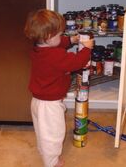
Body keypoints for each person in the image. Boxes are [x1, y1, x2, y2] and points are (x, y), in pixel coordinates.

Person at [24, 9, 94, 167]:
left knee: (44, 132)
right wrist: (87, 49)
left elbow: (58, 43)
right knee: (53, 135)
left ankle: (46, 154)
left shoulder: (39, 47)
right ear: (48, 37)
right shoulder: (54, 56)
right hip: (49, 105)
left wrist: (72, 40)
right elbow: (76, 63)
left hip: (38, 101)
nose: (61, 37)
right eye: (59, 34)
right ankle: (52, 163)